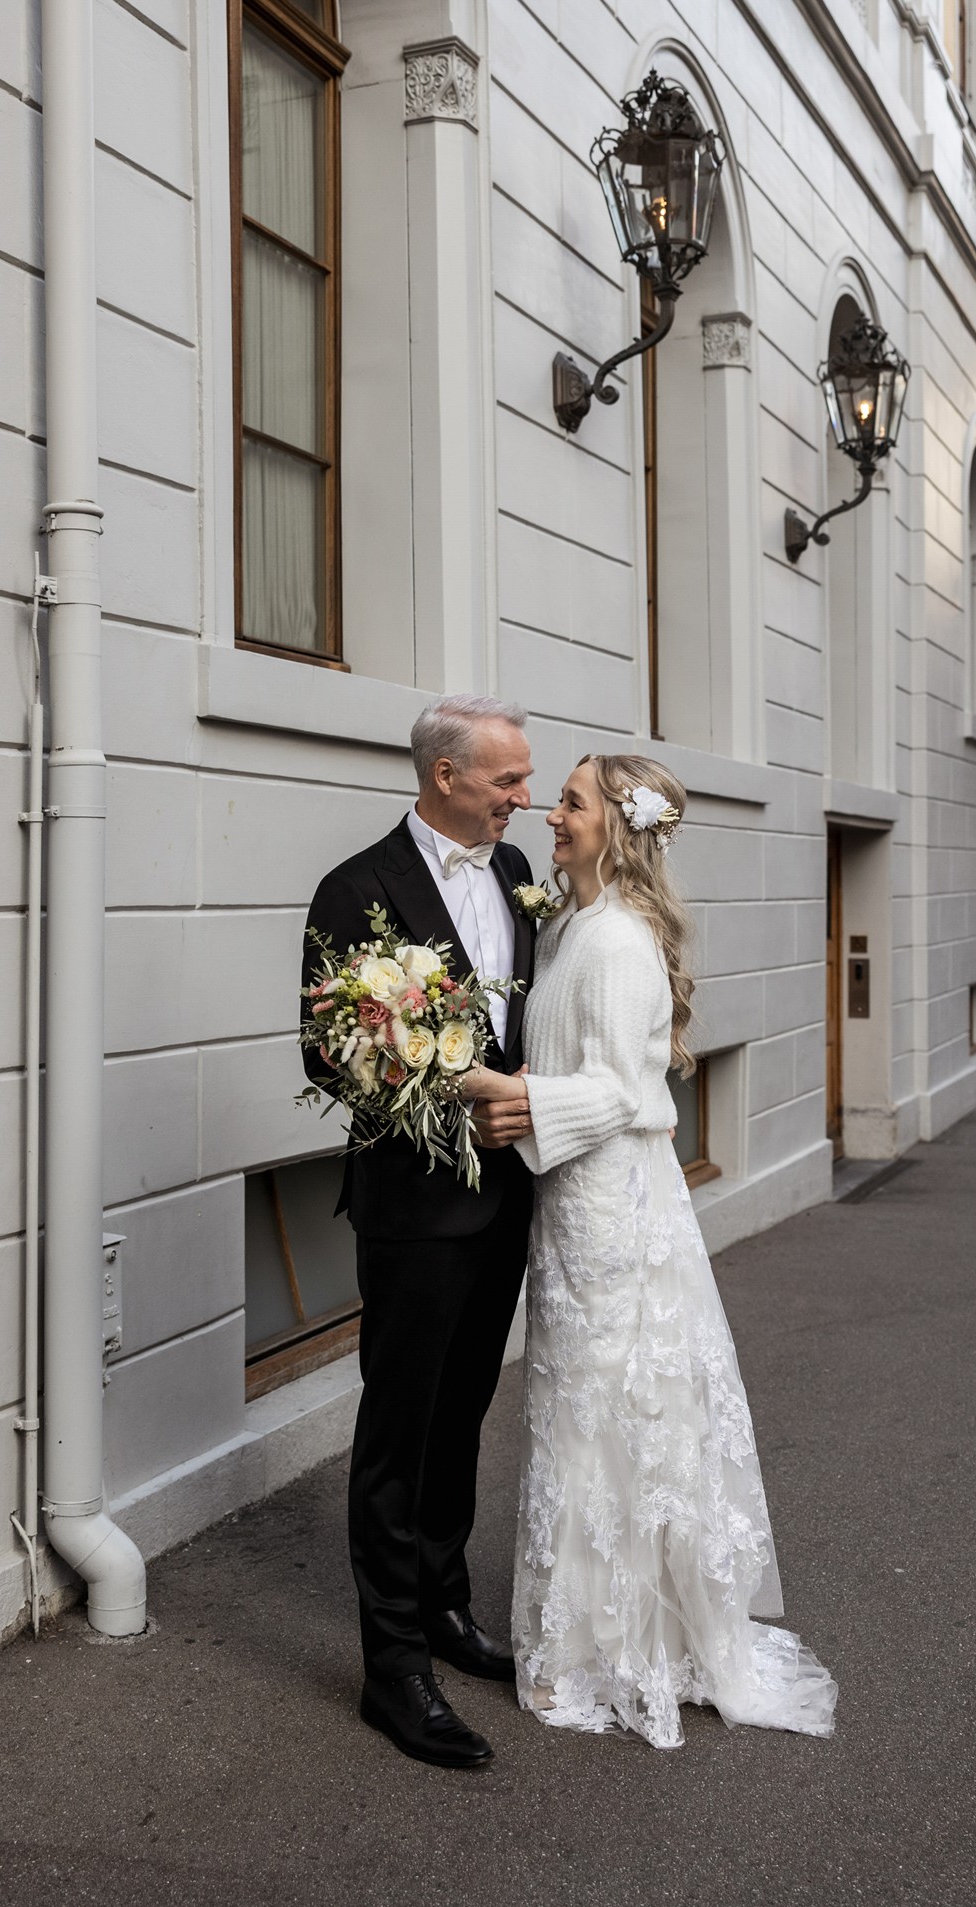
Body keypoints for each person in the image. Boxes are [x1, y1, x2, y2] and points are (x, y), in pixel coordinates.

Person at [459, 753, 838, 1745]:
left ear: (615, 828)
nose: (552, 813)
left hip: (614, 1215)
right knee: (575, 1420)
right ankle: (586, 1636)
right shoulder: (567, 924)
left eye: (572, 801)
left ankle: (593, 1655)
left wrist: (511, 1101)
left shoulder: (620, 943)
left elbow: (634, 1096)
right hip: (570, 1207)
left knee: (604, 1424)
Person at [301, 695, 537, 1769]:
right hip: (414, 1211)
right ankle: (393, 1667)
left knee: (464, 1416)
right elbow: (327, 1054)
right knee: (400, 1433)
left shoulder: (517, 872)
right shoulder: (356, 890)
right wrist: (454, 1087)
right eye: (504, 780)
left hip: (508, 1202)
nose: (520, 798)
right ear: (445, 776)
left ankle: (444, 1606)